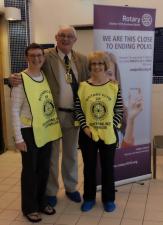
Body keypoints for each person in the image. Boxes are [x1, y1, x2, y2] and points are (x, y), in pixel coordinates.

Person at [10, 25, 89, 207]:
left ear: (75, 40)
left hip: (73, 115)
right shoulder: (45, 55)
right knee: (52, 156)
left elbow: (89, 83)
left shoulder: (82, 59)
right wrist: (12, 79)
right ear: (56, 37)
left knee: (70, 154)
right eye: (62, 35)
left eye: (69, 36)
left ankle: (71, 188)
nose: (65, 39)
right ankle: (51, 191)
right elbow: (29, 71)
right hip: (50, 116)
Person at [11, 43, 62, 222]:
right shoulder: (20, 80)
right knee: (30, 172)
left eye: (39, 55)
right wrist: (18, 138)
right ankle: (29, 208)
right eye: (32, 55)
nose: (36, 58)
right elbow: (14, 111)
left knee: (43, 169)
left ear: (43, 57)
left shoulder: (44, 76)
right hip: (28, 132)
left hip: (45, 130)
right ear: (27, 58)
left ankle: (41, 202)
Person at [75, 51, 123, 212]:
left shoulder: (113, 86)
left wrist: (112, 125)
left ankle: (108, 199)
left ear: (105, 65)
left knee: (108, 168)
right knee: (88, 168)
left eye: (100, 63)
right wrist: (85, 127)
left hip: (108, 134)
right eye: (94, 64)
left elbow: (119, 110)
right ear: (90, 66)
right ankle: (88, 198)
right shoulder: (83, 87)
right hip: (88, 134)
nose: (97, 66)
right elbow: (78, 110)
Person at [106, 52, 143, 147]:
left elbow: (125, 152)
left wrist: (131, 119)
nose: (105, 78)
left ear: (115, 78)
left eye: (109, 73)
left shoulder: (123, 111)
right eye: (101, 72)